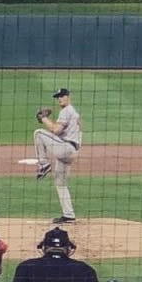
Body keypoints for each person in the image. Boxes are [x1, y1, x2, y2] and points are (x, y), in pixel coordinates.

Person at [34, 86, 82, 223]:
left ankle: (43, 164)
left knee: (38, 133)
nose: (60, 99)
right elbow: (65, 131)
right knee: (60, 183)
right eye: (58, 97)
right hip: (72, 151)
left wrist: (44, 119)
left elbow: (55, 130)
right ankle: (69, 215)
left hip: (66, 148)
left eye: (62, 96)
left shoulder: (66, 111)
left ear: (68, 96)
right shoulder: (75, 114)